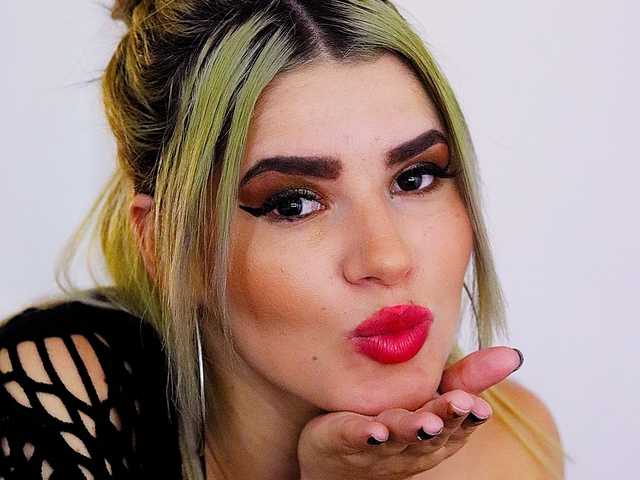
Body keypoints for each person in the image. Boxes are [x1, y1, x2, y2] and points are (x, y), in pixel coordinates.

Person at [0, 0, 568, 479]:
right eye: (293, 203)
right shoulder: (52, 399)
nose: (388, 257)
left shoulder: (512, 448)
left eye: (415, 178)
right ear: (172, 249)